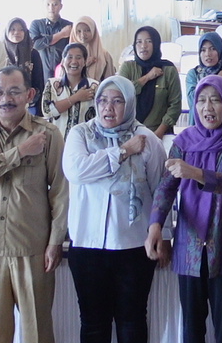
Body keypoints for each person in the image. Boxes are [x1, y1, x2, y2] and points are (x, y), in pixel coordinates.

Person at [0, 66, 68, 343]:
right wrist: (20, 151)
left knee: (37, 331)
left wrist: (55, 241)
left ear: (29, 95)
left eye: (14, 92)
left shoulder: (48, 134)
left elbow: (61, 191)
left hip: (32, 246)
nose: (5, 99)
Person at [147, 76, 222, 343]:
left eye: (215, 100)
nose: (208, 107)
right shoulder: (184, 141)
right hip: (190, 245)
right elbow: (166, 187)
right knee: (191, 328)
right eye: (202, 100)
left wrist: (195, 173)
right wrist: (155, 226)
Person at [63, 76, 168, 343]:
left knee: (132, 321)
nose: (108, 108)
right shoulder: (81, 134)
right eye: (102, 100)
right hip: (87, 245)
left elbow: (161, 191)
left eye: (117, 101)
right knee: (93, 323)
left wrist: (164, 235)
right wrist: (122, 151)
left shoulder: (147, 140)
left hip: (133, 246)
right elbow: (76, 171)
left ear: (130, 103)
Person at [118, 27, 180, 138]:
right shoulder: (127, 67)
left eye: (149, 41)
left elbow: (175, 105)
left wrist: (158, 133)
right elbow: (121, 95)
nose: (143, 46)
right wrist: (147, 77)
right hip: (128, 132)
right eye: (139, 42)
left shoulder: (168, 69)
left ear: (156, 44)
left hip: (159, 133)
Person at [41, 43, 99, 136]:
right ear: (63, 61)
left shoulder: (94, 86)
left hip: (85, 141)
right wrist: (76, 97)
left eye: (78, 58)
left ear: (84, 62)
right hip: (58, 140)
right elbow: (47, 111)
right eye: (70, 57)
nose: (74, 61)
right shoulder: (52, 84)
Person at [30, 0, 71, 84]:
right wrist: (61, 34)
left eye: (55, 4)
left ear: (61, 6)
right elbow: (36, 45)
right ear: (43, 6)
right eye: (48, 4)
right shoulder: (36, 24)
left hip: (63, 73)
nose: (51, 8)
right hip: (40, 72)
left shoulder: (69, 26)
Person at [4, 18, 45, 111]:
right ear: (7, 32)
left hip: (29, 102)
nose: (16, 32)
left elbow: (38, 82)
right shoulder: (0, 52)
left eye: (21, 29)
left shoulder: (33, 53)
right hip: (4, 102)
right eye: (12, 29)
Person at [70, 16, 115, 82]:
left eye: (87, 30)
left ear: (93, 30)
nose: (83, 35)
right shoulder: (68, 55)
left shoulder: (104, 55)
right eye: (79, 31)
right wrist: (84, 65)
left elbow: (110, 81)